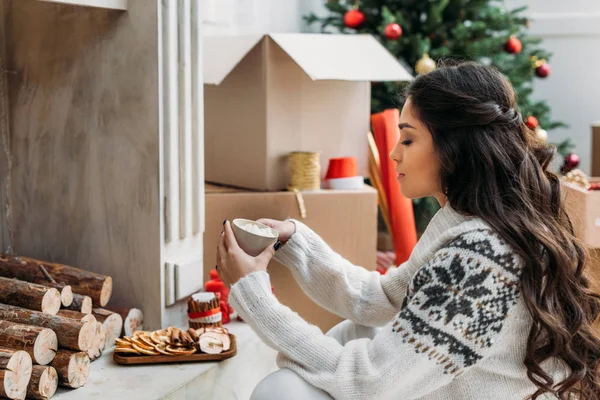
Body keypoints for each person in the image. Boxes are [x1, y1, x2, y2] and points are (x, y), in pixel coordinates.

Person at [216, 61, 600, 400]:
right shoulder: (470, 225)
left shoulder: (481, 256)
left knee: (280, 391)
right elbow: (379, 299)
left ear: (454, 148)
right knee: (355, 331)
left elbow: (370, 383)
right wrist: (295, 243)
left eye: (409, 138)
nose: (394, 152)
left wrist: (251, 292)